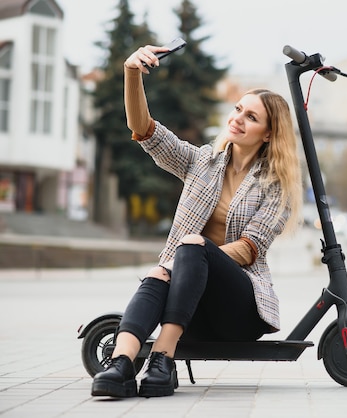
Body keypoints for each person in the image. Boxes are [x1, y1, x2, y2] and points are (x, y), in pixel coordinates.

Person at [91, 44, 302, 398]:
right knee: (160, 274)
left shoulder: (276, 186)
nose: (237, 118)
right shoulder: (201, 162)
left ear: (268, 134)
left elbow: (250, 249)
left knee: (185, 251)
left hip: (238, 310)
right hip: (189, 307)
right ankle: (121, 365)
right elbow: (145, 130)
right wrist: (131, 73)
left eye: (251, 117)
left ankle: (162, 358)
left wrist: (195, 252)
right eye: (238, 109)